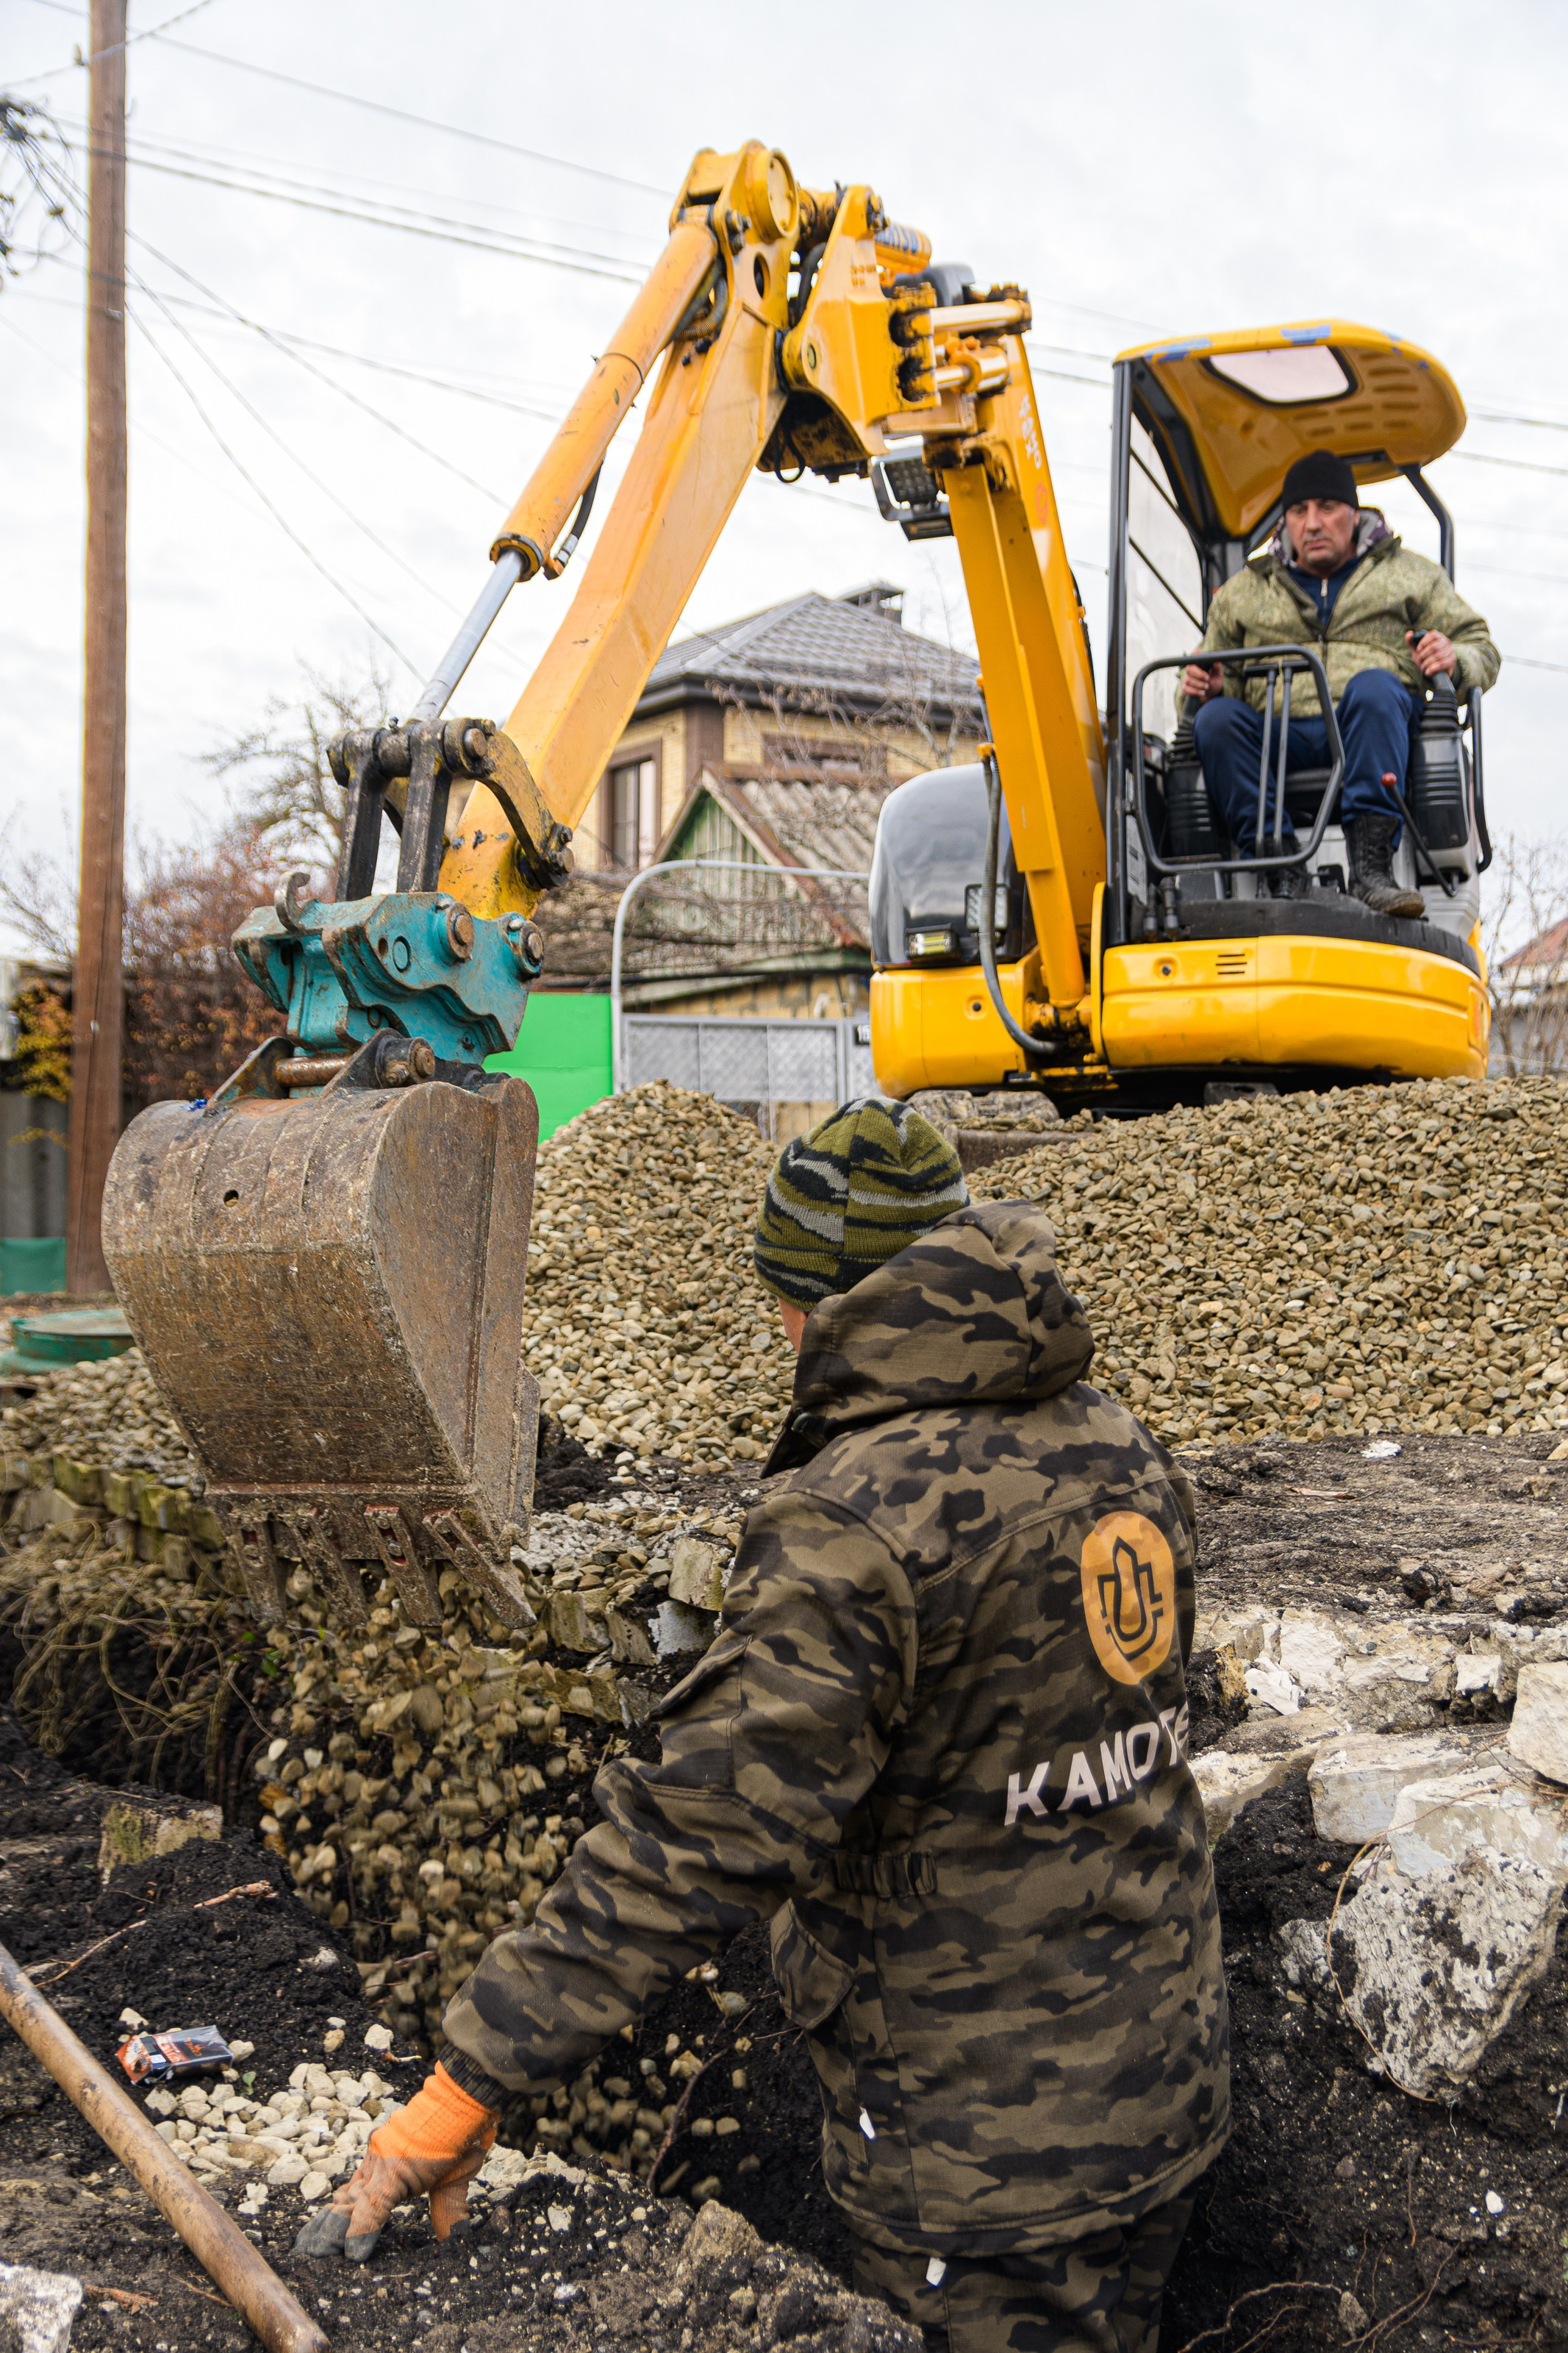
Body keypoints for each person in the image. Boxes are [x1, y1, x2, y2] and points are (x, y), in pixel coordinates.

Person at [298, 1099, 1229, 2353]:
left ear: (823, 1303)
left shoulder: (856, 1519)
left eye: (782, 1301)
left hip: (984, 2161)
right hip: (1166, 2079)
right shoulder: (1119, 1445)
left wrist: (467, 2084)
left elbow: (694, 1835)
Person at [1180, 449, 1500, 917]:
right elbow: (1206, 676)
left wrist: (1455, 658)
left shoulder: (1411, 575)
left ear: (1354, 514)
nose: (1312, 523)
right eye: (1298, 511)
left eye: (1327, 508)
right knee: (1215, 719)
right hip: (1277, 735)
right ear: (1286, 521)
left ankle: (1372, 870)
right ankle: (1280, 869)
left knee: (1375, 688)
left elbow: (1482, 648)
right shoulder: (1242, 593)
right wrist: (1204, 686)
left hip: (1373, 729)